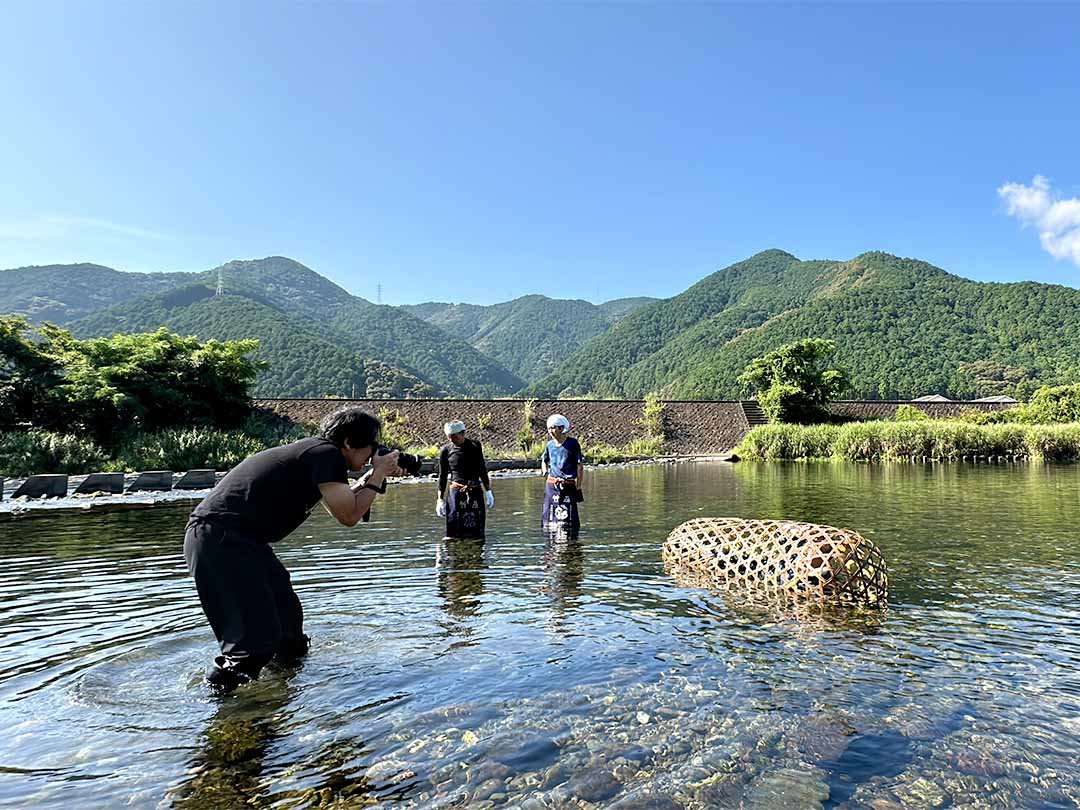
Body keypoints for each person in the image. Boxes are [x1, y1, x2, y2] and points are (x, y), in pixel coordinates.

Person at [183, 406, 401, 692]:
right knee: (253, 642)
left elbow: (344, 507)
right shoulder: (326, 454)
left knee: (288, 629)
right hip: (223, 539)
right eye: (372, 446)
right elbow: (349, 517)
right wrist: (378, 474)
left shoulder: (315, 454)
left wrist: (375, 475)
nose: (374, 453)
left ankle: (284, 695)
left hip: (240, 540)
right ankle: (230, 719)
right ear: (349, 442)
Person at [435, 420, 494, 539]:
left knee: (477, 531)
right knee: (454, 532)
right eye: (449, 437)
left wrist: (488, 491)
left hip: (475, 490)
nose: (451, 440)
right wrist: (440, 500)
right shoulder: (446, 450)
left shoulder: (475, 446)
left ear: (463, 433)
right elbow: (442, 476)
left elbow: (482, 469)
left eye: (454, 437)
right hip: (456, 492)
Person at [540, 414, 585, 534]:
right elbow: (544, 460)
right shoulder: (549, 445)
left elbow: (579, 465)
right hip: (552, 485)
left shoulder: (573, 444)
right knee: (549, 520)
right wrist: (545, 472)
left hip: (568, 484)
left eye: (553, 428)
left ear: (561, 428)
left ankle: (571, 546)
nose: (551, 431)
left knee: (569, 519)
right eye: (549, 428)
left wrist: (578, 485)